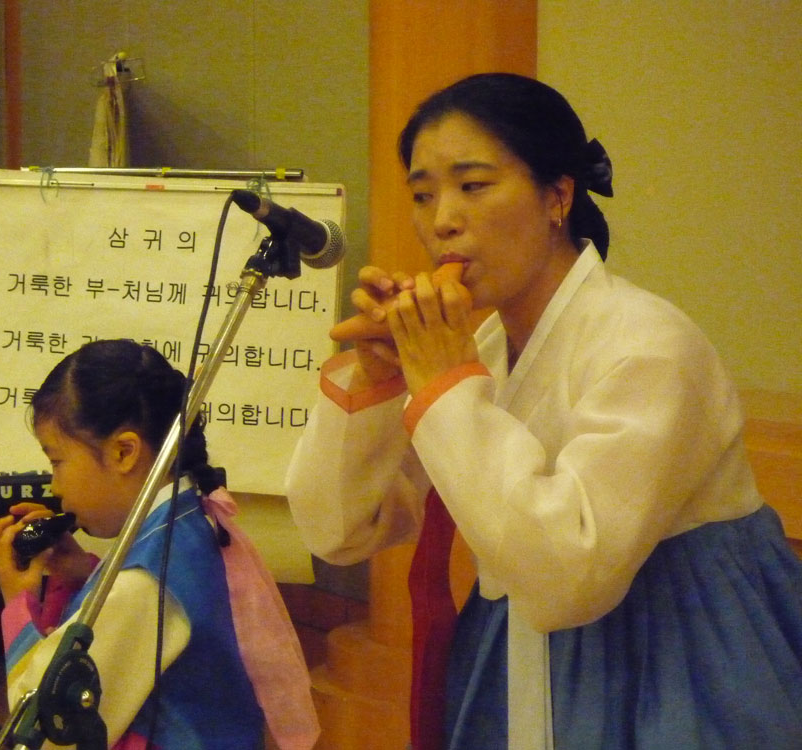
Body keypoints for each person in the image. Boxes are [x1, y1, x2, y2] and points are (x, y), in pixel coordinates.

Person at [285, 72, 802, 749]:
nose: (442, 220)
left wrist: (445, 386)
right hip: (511, 647)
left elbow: (570, 579)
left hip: (677, 653)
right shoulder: (481, 350)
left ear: (558, 197)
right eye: (423, 194)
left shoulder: (650, 344)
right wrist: (379, 381)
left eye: (473, 185)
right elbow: (338, 530)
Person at [0, 338, 319, 749]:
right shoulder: (188, 520)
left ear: (124, 452)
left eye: (57, 461)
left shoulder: (144, 581)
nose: (55, 485)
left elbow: (51, 732)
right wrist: (85, 576)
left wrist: (17, 601)